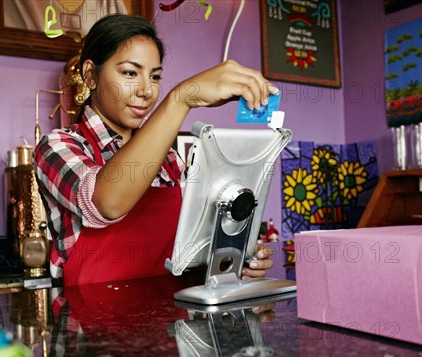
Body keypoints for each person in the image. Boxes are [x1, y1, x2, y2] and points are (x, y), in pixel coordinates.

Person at [35, 14, 279, 286]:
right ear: (91, 75)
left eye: (155, 76)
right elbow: (107, 202)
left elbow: (193, 251)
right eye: (130, 73)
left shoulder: (170, 160)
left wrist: (236, 262)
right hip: (89, 323)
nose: (147, 91)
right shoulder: (58, 146)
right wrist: (181, 97)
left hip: (166, 322)